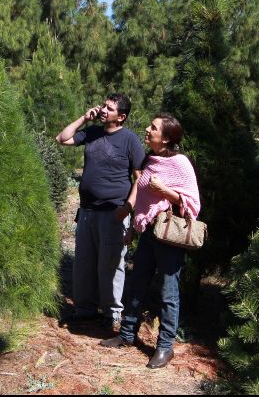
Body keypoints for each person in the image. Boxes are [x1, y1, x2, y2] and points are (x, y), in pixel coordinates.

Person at [100, 113, 201, 369]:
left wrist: (165, 191)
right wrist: (134, 228)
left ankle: (165, 348)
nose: (147, 129)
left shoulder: (180, 163)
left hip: (168, 236)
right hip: (148, 233)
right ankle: (126, 334)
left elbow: (192, 202)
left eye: (153, 128)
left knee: (169, 293)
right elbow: (143, 197)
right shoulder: (150, 159)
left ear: (166, 138)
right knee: (137, 284)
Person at [55, 93, 146, 330]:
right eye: (104, 106)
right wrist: (84, 119)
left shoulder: (130, 141)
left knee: (111, 264)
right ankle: (84, 309)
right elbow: (62, 139)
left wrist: (128, 209)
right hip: (87, 211)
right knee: (83, 262)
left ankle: (112, 313)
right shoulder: (93, 132)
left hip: (114, 212)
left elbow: (140, 179)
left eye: (110, 108)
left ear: (122, 117)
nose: (104, 110)